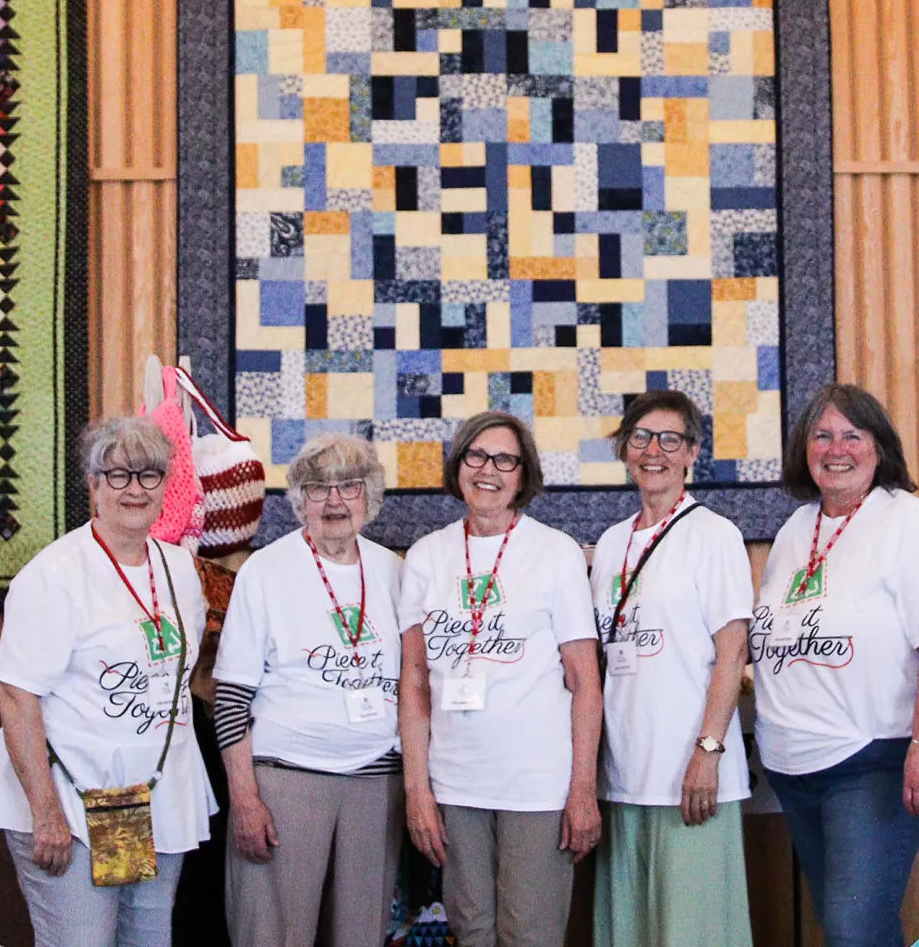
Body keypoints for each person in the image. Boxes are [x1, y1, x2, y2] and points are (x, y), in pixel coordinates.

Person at [0, 417, 215, 947]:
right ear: (93, 485)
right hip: (70, 803)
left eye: (148, 475)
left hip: (155, 799)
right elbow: (15, 697)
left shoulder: (180, 569)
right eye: (117, 474)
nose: (134, 488)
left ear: (165, 486)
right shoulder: (54, 575)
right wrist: (46, 815)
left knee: (147, 941)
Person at [751, 384, 919, 947]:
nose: (836, 448)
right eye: (822, 435)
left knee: (853, 928)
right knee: (848, 922)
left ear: (880, 449)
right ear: (805, 450)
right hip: (794, 766)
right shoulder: (796, 529)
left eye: (853, 435)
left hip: (875, 757)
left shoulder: (911, 523)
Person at [396, 411, 602, 947]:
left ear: (522, 474)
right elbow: (415, 686)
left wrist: (583, 789)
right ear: (459, 464)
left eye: (505, 459)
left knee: (528, 933)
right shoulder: (425, 558)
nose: (489, 470)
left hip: (536, 784)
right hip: (456, 783)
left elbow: (585, 682)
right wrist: (419, 791)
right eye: (477, 455)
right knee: (472, 930)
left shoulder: (555, 553)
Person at [213, 434, 406, 947]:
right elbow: (231, 699)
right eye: (319, 488)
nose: (335, 501)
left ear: (371, 497)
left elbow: (416, 689)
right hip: (285, 784)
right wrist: (246, 800)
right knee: (272, 936)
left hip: (376, 786)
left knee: (361, 937)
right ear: (299, 500)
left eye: (349, 486)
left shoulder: (395, 572)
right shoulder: (265, 572)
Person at [586, 391, 755, 947]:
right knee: (629, 933)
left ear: (692, 453)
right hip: (626, 775)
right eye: (640, 438)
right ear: (624, 449)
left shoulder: (714, 535)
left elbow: (732, 651)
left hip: (691, 776)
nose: (653, 451)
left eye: (669, 439)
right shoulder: (610, 544)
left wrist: (707, 753)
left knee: (693, 933)